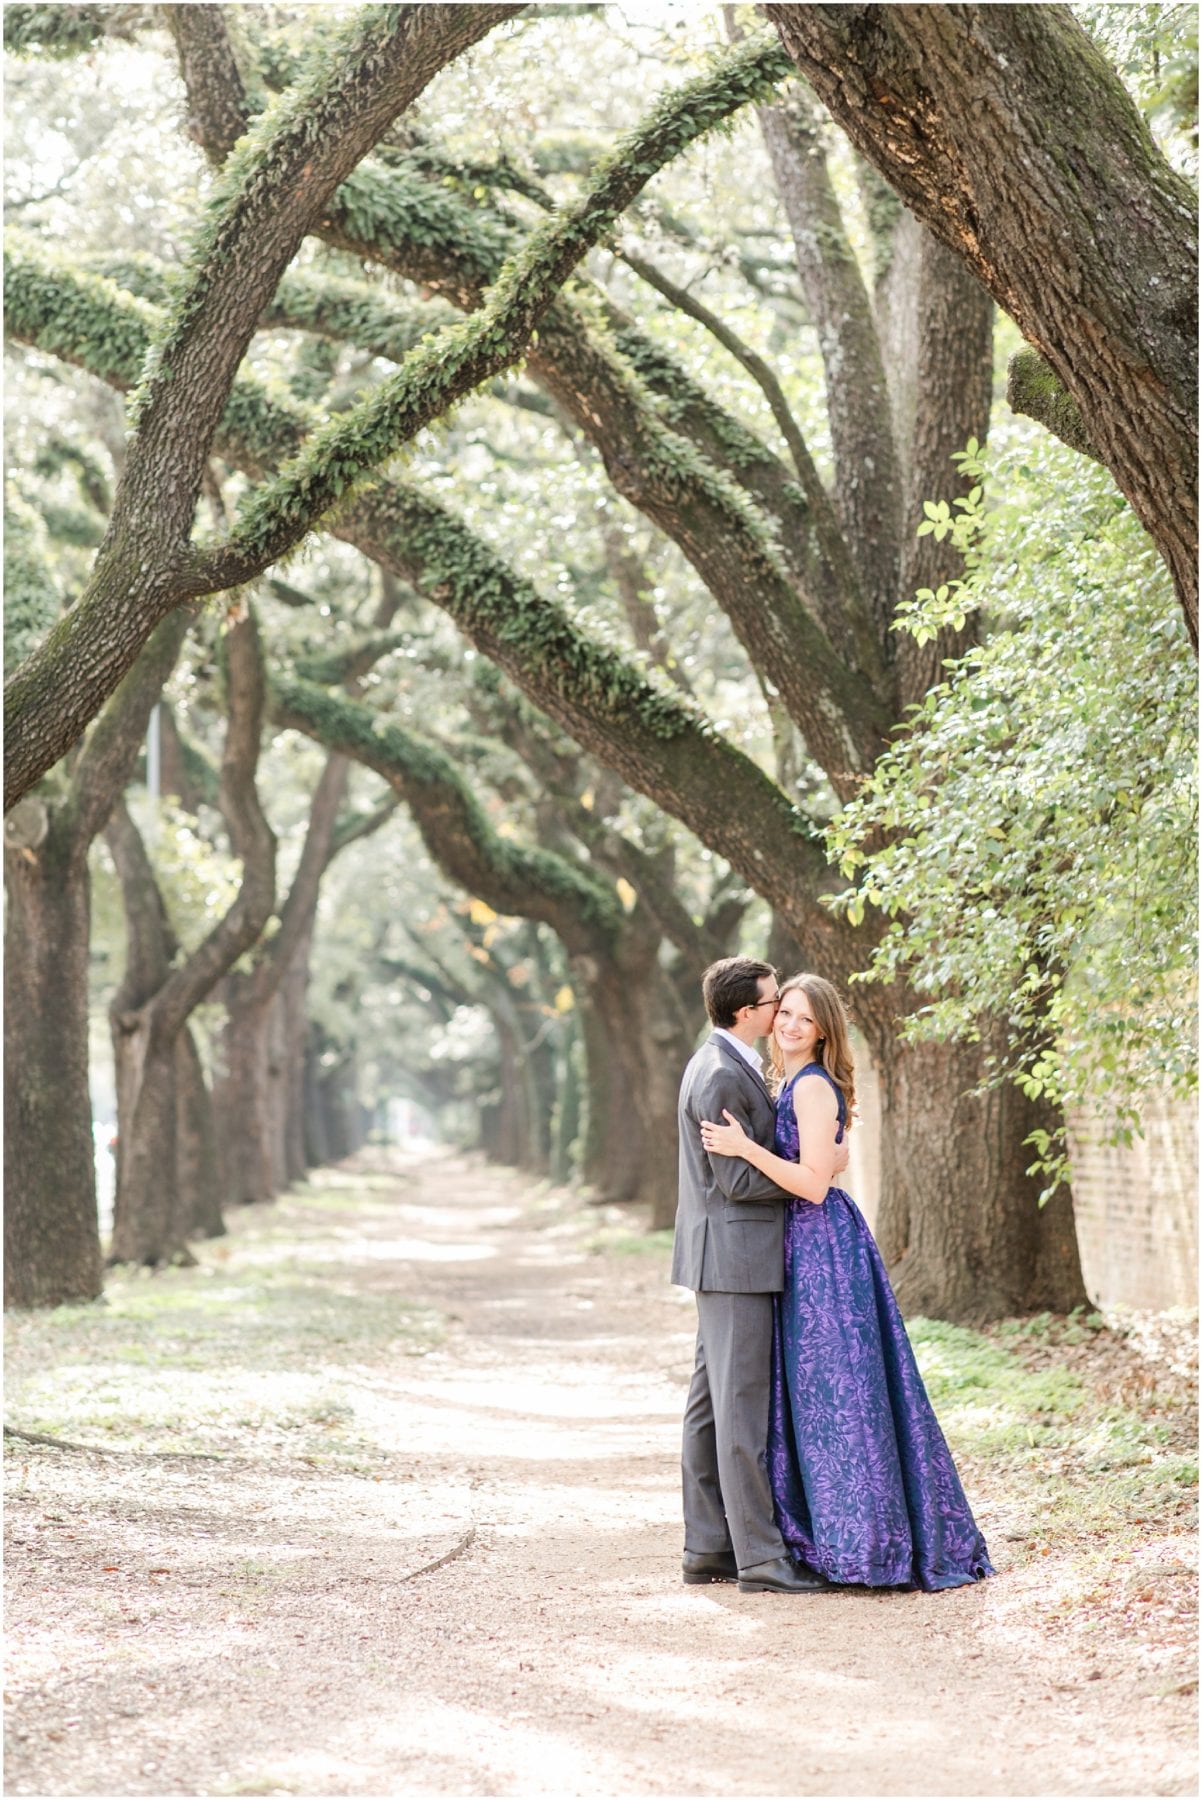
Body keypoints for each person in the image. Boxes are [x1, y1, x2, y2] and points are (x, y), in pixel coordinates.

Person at [700, 973, 995, 1591]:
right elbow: (824, 1161)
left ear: (825, 1029)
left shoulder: (809, 1088)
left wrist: (743, 1148)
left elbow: (811, 1184)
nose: (790, 1025)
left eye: (806, 1019)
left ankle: (869, 1543)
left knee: (841, 1392)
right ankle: (831, 1535)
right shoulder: (789, 1081)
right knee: (818, 1395)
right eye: (786, 1013)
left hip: (821, 1249)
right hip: (799, 1245)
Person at [672, 956, 849, 1595]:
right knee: (740, 1408)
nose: (782, 1012)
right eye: (776, 1002)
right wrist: (809, 1176)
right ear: (748, 1011)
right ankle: (760, 1558)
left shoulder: (724, 1062)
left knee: (711, 1408)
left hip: (722, 1257)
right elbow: (737, 1179)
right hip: (736, 1260)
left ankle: (709, 1546)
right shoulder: (721, 1074)